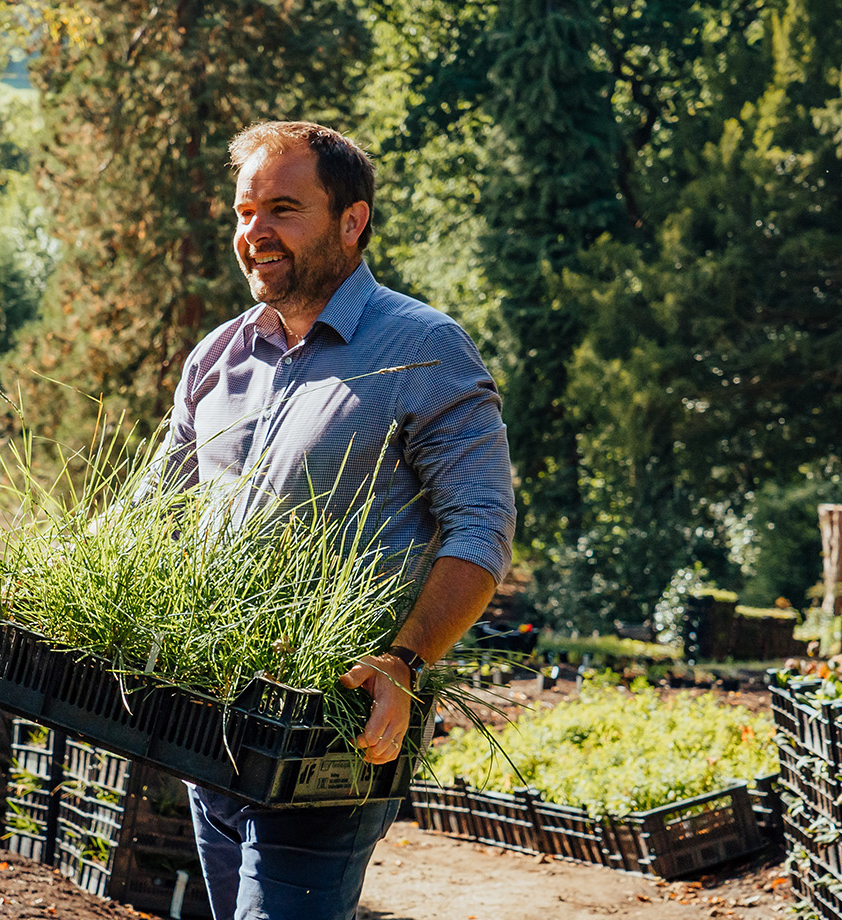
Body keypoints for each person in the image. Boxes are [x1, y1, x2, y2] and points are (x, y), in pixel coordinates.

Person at [158, 121, 515, 920]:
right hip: (211, 719)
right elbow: (158, 513)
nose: (256, 234)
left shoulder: (424, 349)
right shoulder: (217, 358)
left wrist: (405, 662)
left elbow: (480, 528)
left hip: (333, 729)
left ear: (352, 222)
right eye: (246, 212)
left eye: (283, 209)